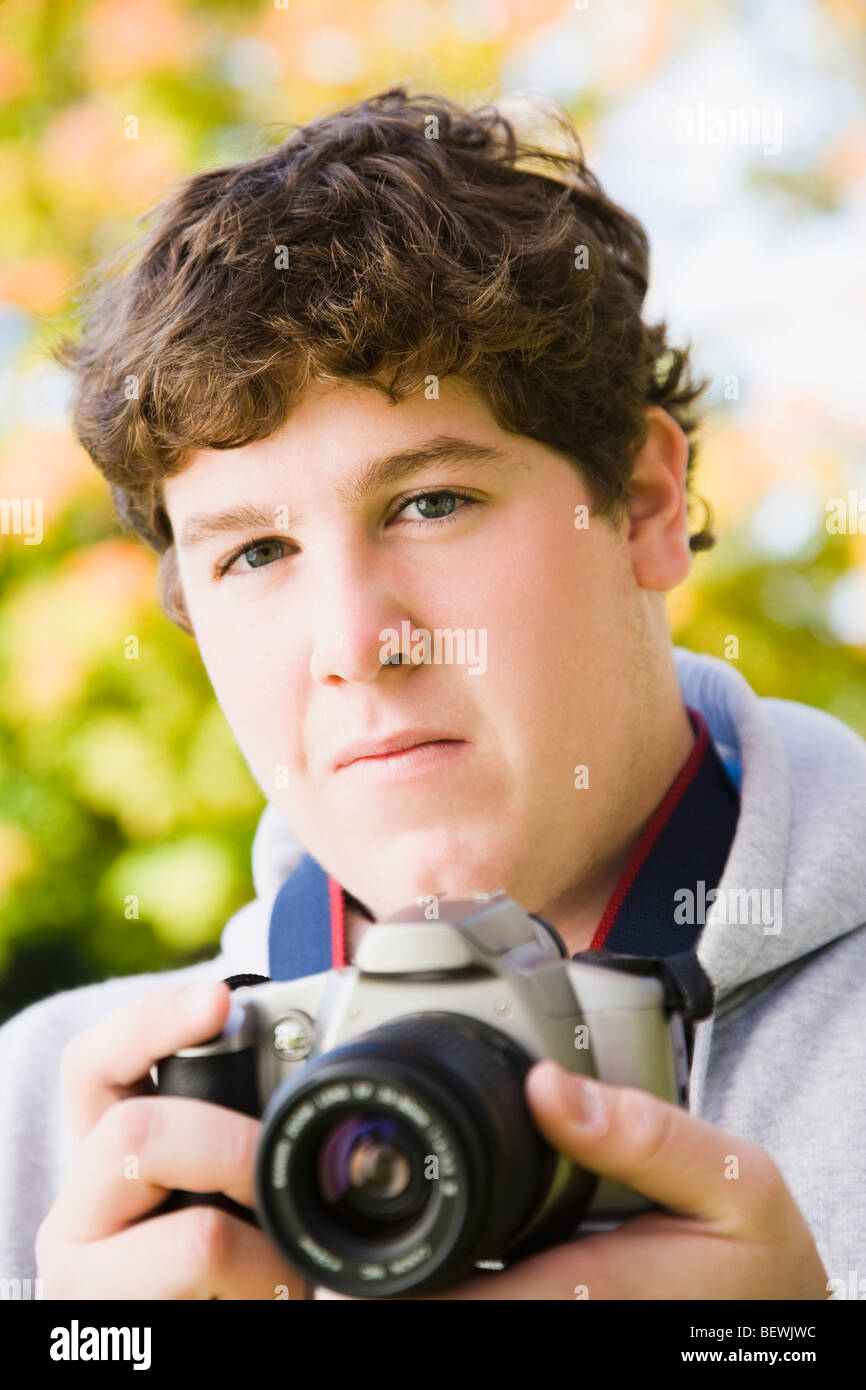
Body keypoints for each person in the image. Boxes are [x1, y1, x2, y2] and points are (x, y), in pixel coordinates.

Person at [1, 85, 862, 1301]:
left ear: (646, 506)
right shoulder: (51, 1123)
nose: (356, 643)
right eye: (255, 552)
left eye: (430, 503)